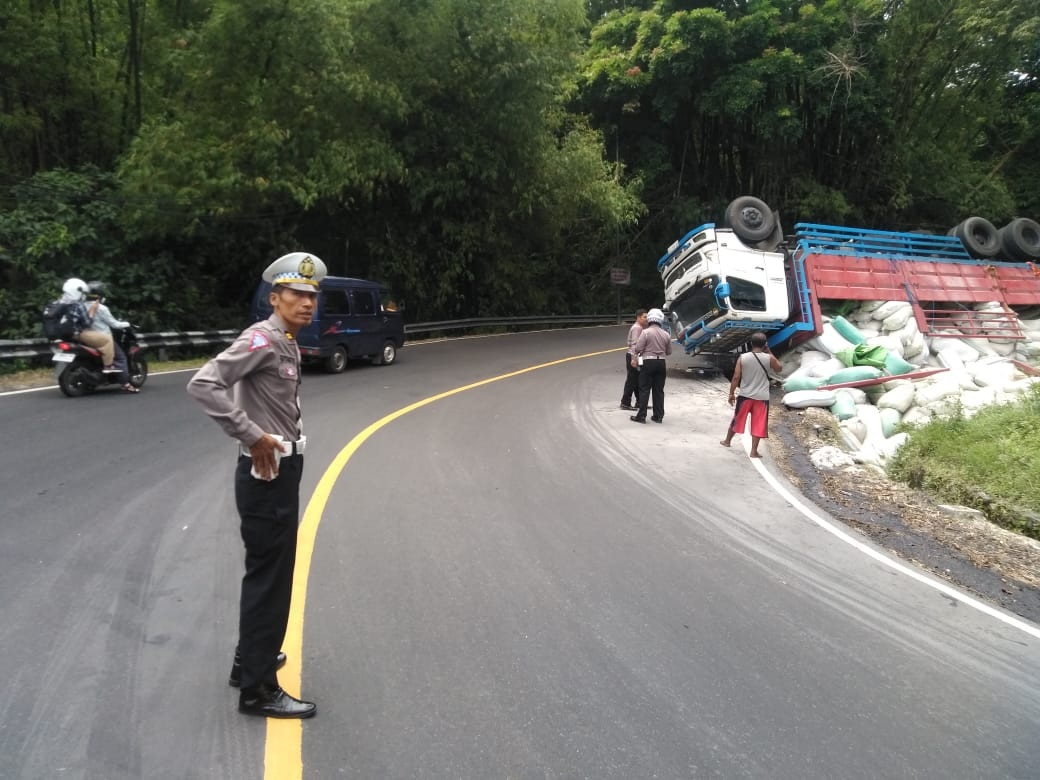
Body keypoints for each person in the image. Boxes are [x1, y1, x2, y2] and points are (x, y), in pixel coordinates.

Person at [186, 251, 327, 720]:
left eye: (312, 295)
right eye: (297, 294)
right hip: (268, 474)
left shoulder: (284, 340)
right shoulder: (262, 339)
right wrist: (250, 433)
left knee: (267, 571)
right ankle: (259, 690)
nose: (307, 302)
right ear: (275, 297)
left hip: (281, 471)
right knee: (271, 578)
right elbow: (204, 384)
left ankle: (249, 661)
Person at [721, 332, 783, 458]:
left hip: (745, 396)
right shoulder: (769, 358)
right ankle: (754, 451)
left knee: (737, 418)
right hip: (762, 398)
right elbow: (779, 368)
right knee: (759, 423)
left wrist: (731, 393)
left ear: (751, 343)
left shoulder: (743, 357)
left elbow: (736, 377)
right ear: (765, 344)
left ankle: (727, 441)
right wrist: (769, 351)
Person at [82, 281, 138, 392]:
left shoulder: (81, 306)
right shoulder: (101, 308)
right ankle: (125, 383)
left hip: (85, 338)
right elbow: (114, 324)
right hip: (102, 337)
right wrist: (128, 324)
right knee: (121, 357)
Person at [59, 278, 118, 373]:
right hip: (77, 333)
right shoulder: (78, 304)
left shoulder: (61, 302)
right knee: (107, 340)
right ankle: (108, 366)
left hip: (63, 334)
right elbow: (87, 323)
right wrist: (92, 311)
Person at [630, 307, 672, 424]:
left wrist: (636, 358)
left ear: (650, 319)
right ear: (660, 320)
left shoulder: (646, 332)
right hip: (661, 363)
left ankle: (641, 416)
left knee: (644, 389)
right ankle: (658, 416)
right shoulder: (666, 334)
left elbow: (638, 348)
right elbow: (669, 352)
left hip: (648, 362)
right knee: (659, 390)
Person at [620, 309, 647, 410]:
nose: (646, 319)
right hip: (633, 356)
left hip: (636, 356)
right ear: (638, 317)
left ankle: (640, 402)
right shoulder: (637, 328)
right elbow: (635, 345)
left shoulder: (639, 327)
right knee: (631, 380)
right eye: (644, 317)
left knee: (637, 379)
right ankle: (625, 402)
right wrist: (634, 359)